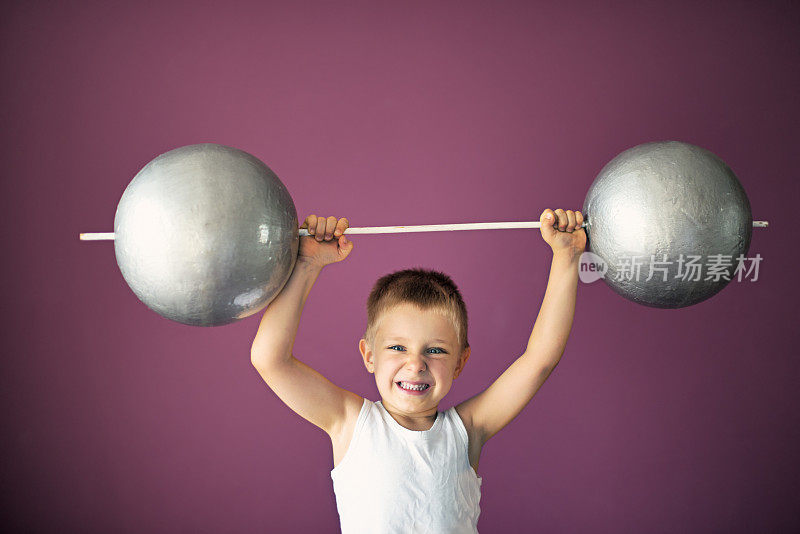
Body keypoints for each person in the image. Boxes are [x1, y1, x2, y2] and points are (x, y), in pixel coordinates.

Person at [250, 209, 586, 533]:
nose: (415, 364)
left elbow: (539, 360)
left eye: (435, 350)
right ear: (369, 355)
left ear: (460, 362)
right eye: (397, 348)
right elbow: (270, 360)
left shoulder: (467, 429)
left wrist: (566, 257)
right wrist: (307, 264)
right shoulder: (349, 421)